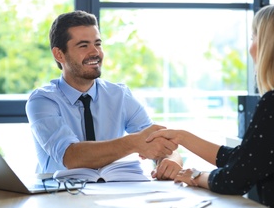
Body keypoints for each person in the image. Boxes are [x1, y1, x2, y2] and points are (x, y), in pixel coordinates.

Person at [146, 4, 274, 208]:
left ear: (271, 45)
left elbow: (234, 180)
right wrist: (182, 137)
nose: (251, 48)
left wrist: (195, 176)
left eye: (254, 38)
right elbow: (246, 158)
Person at [26, 10, 182, 180]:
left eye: (98, 44)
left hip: (112, 196)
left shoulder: (120, 95)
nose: (95, 52)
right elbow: (71, 157)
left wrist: (170, 161)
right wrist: (134, 143)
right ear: (59, 54)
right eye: (84, 45)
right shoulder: (42, 101)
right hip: (60, 197)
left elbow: (163, 146)